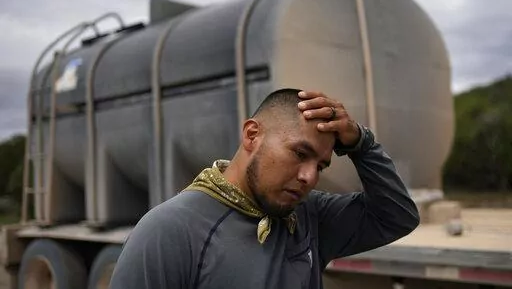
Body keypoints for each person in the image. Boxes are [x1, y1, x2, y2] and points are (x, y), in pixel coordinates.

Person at [109, 88, 420, 289]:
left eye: (321, 166)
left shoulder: (308, 216)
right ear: (252, 135)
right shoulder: (170, 230)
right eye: (300, 154)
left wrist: (360, 144)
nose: (310, 177)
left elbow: (396, 216)